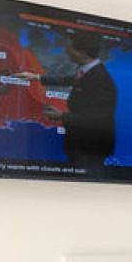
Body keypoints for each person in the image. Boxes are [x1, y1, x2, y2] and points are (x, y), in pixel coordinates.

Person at [21, 31, 118, 166]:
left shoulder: (101, 80)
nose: (67, 52)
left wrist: (62, 116)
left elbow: (97, 119)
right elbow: (72, 80)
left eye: (70, 49)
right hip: (81, 143)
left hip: (91, 148)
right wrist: (36, 77)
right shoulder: (90, 71)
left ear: (82, 52)